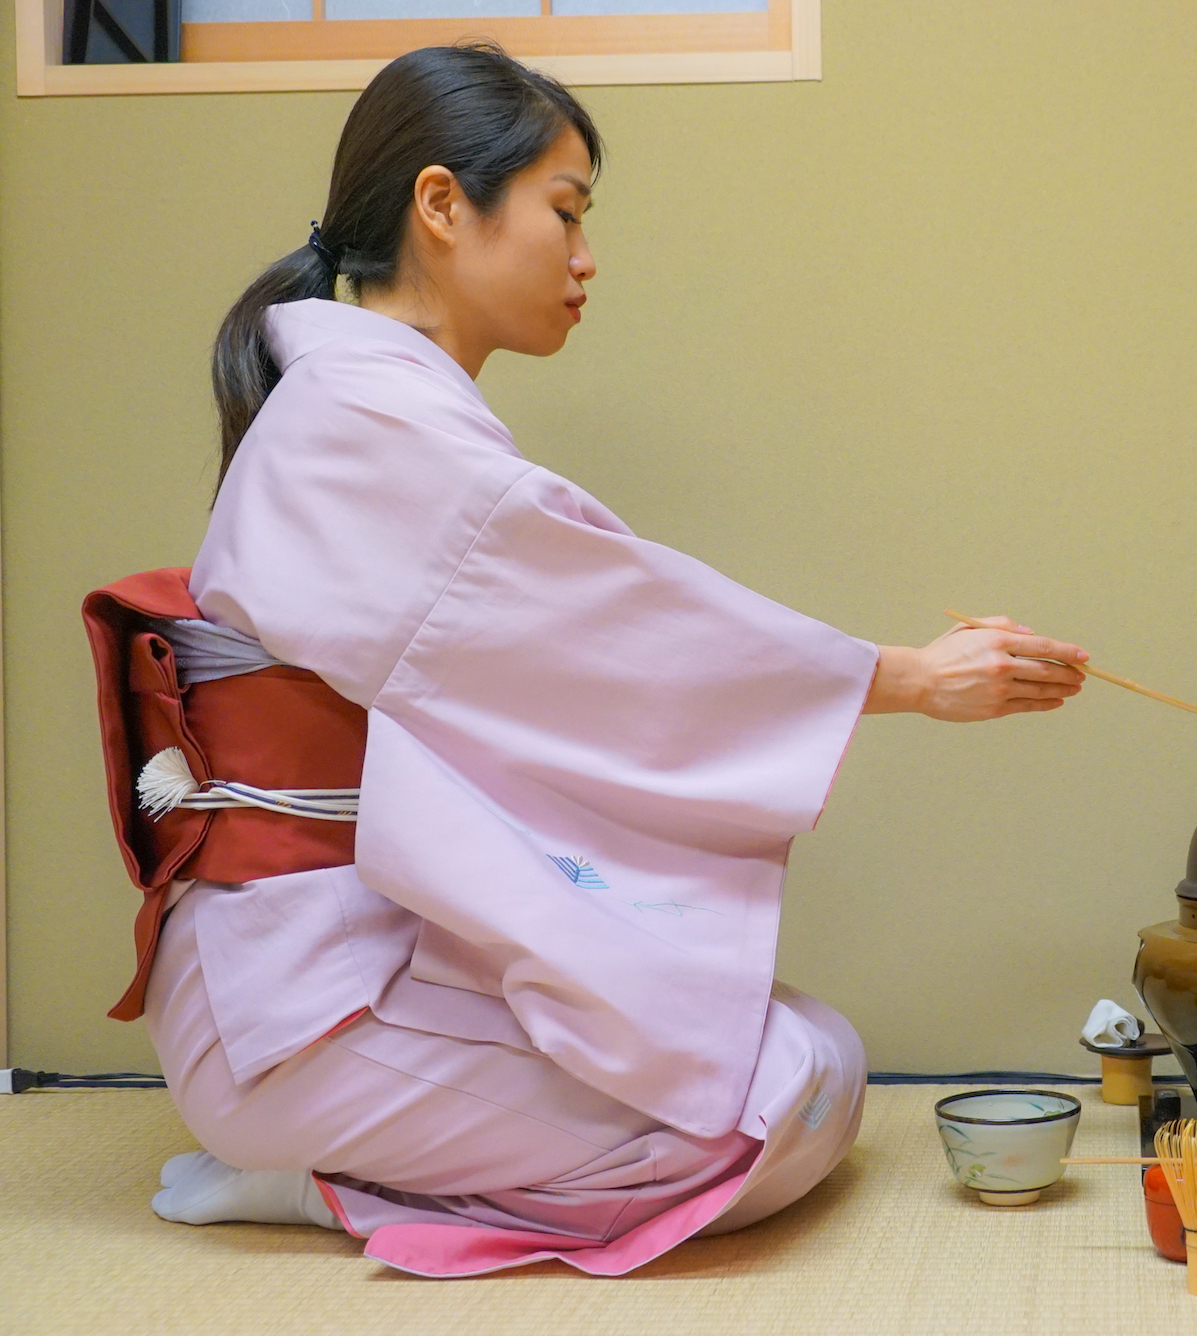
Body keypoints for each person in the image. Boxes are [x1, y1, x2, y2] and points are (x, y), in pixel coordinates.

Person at [106, 41, 1087, 1278]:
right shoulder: (353, 420)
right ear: (442, 205)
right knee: (775, 1105)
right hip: (301, 1012)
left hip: (357, 961)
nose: (585, 257)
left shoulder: (375, 406)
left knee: (813, 1052)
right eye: (564, 212)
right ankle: (317, 1187)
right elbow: (618, 634)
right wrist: (902, 676)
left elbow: (575, 641)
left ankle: (338, 1159)